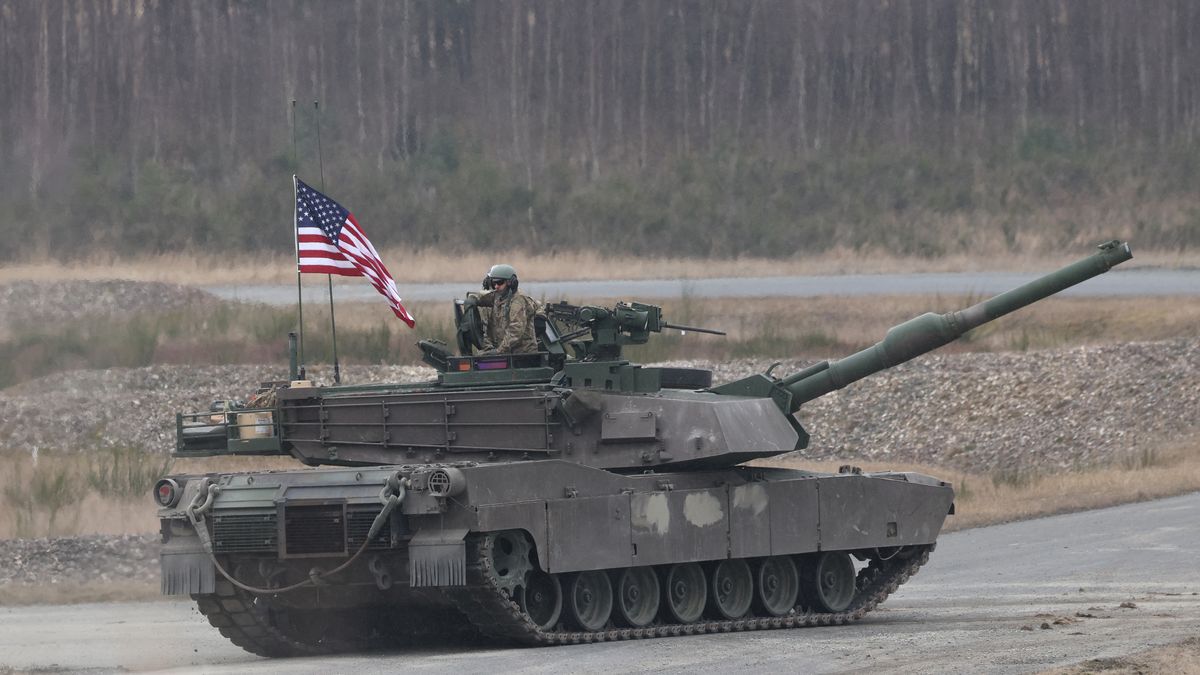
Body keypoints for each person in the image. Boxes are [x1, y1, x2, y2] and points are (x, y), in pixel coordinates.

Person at [473, 264, 540, 355]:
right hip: (506, 352)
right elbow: (484, 296)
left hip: (523, 354)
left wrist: (498, 351)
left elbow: (515, 331)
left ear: (510, 283)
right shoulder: (499, 296)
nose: (496, 286)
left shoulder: (518, 301)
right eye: (493, 283)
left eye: (500, 282)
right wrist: (472, 299)